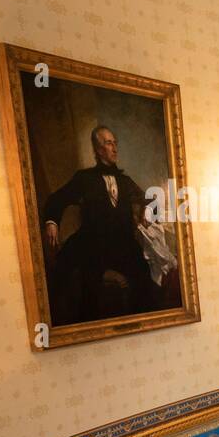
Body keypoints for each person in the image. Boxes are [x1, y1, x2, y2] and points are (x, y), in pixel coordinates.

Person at [39, 125, 162, 323]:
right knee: (72, 277)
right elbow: (57, 199)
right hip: (92, 243)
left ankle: (145, 325)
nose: (114, 148)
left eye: (115, 143)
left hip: (122, 244)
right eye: (108, 143)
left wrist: (148, 209)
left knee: (143, 275)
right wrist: (52, 221)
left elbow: (151, 202)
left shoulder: (125, 181)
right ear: (98, 150)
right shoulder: (84, 179)